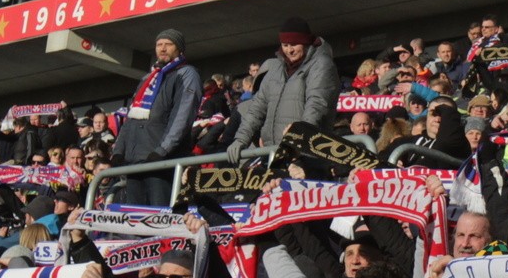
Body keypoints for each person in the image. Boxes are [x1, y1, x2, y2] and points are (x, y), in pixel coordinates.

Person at [227, 16, 340, 161]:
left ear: (305, 42)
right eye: (285, 45)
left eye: (294, 44)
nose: (289, 50)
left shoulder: (321, 64)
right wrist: (241, 139)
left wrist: (298, 139)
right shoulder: (275, 68)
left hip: (305, 154)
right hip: (273, 152)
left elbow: (317, 105)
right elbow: (257, 108)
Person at [114, 28, 202, 207]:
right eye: (159, 44)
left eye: (168, 44)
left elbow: (182, 116)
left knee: (158, 215)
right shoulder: (148, 78)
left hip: (161, 161)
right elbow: (131, 117)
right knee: (135, 218)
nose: (163, 48)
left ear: (179, 49)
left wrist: (163, 150)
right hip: (135, 161)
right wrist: (118, 151)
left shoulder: (186, 73)